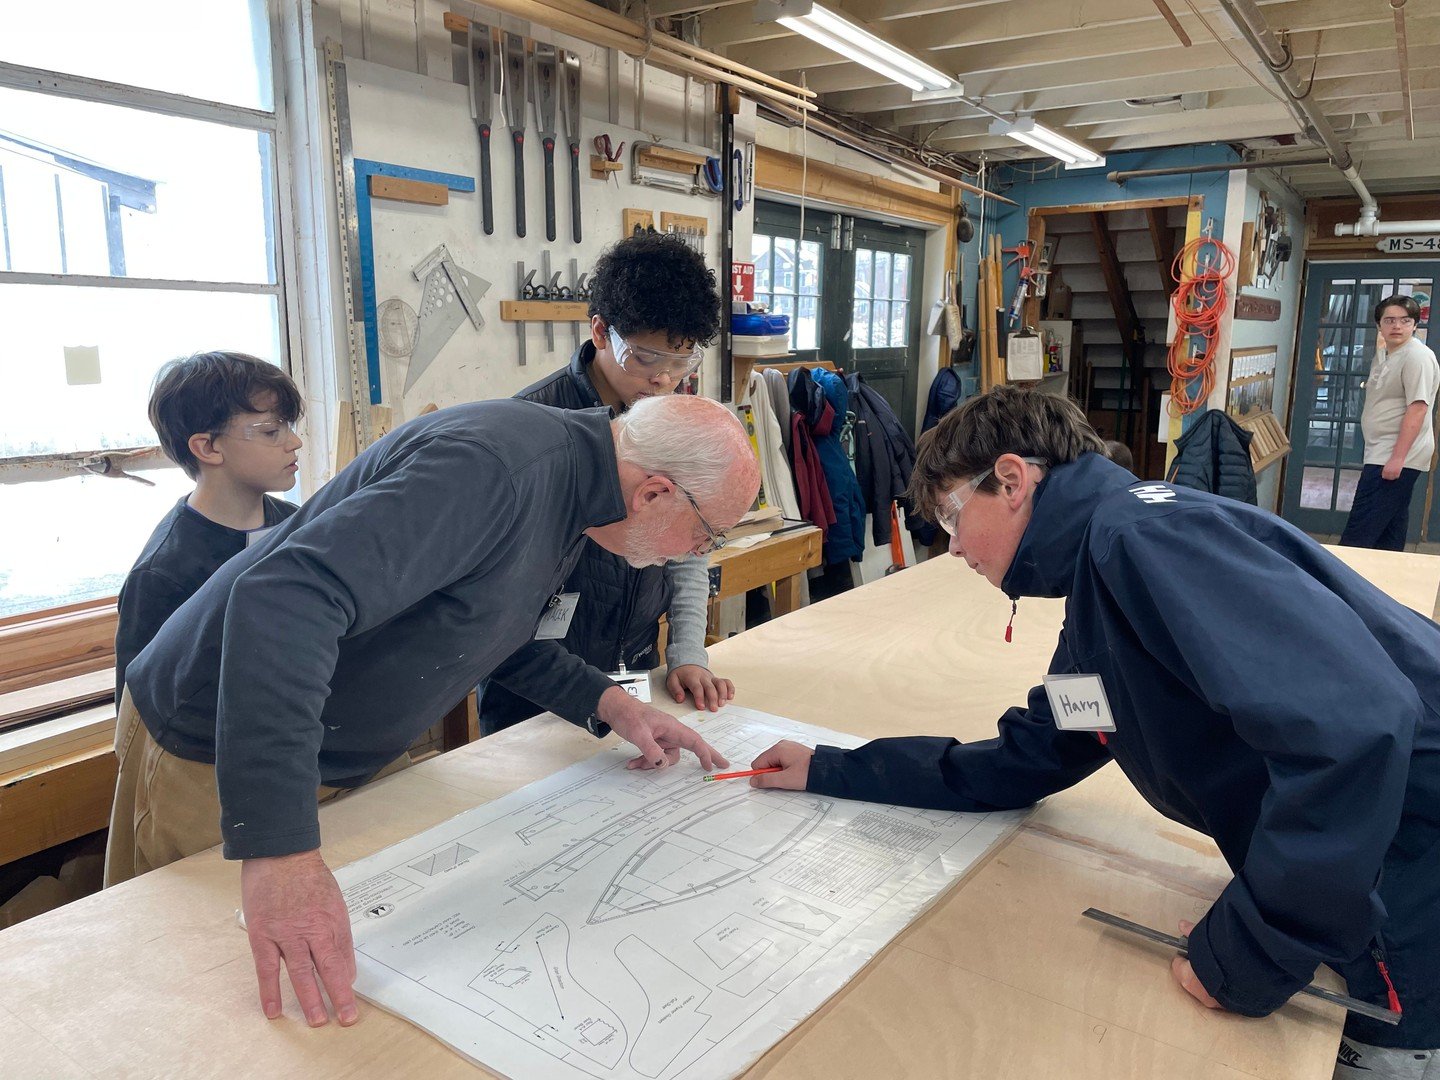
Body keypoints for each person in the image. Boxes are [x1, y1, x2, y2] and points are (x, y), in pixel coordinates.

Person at [748, 386, 1439, 1078]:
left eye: (953, 518)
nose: (952, 548)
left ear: (1013, 480)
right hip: (1361, 872)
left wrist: (1253, 950)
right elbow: (1039, 751)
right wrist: (830, 768)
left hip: (1408, 896)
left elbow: (1356, 731)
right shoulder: (1102, 591)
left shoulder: (1141, 541)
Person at [108, 393, 760, 1029]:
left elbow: (491, 621)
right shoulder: (496, 471)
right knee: (219, 1002)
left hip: (335, 742)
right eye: (705, 533)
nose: (695, 552)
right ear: (654, 493)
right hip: (222, 739)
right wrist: (278, 851)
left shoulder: (578, 496)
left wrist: (610, 702)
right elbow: (284, 598)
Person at [481, 233, 730, 735]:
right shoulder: (535, 427)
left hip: (636, 671)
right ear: (600, 331)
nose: (664, 380)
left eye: (680, 362)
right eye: (645, 358)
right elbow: (498, 597)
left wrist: (686, 652)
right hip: (534, 688)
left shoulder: (673, 419)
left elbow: (688, 543)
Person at [114, 352, 304, 704]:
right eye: (272, 431)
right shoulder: (161, 574)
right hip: (206, 751)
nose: (294, 443)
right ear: (207, 447)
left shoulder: (295, 524)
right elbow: (139, 712)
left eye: (289, 427)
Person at [1340, 294, 1439, 551]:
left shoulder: (1417, 357)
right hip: (1381, 451)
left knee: (1360, 531)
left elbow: (1417, 409)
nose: (1397, 326)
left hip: (1394, 455)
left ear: (1415, 325)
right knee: (1389, 529)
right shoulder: (1385, 354)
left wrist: (1397, 458)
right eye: (1390, 320)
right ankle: (1383, 585)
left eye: (1405, 321)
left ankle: (1337, 585)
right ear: (1379, 325)